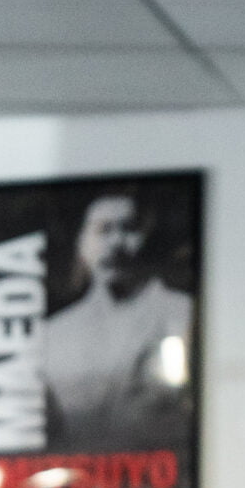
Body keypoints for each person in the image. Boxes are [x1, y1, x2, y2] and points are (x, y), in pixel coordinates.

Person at [43, 187, 193, 452]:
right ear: (80, 241)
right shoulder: (53, 334)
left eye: (129, 228)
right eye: (103, 230)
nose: (116, 242)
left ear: (148, 237)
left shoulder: (181, 312)